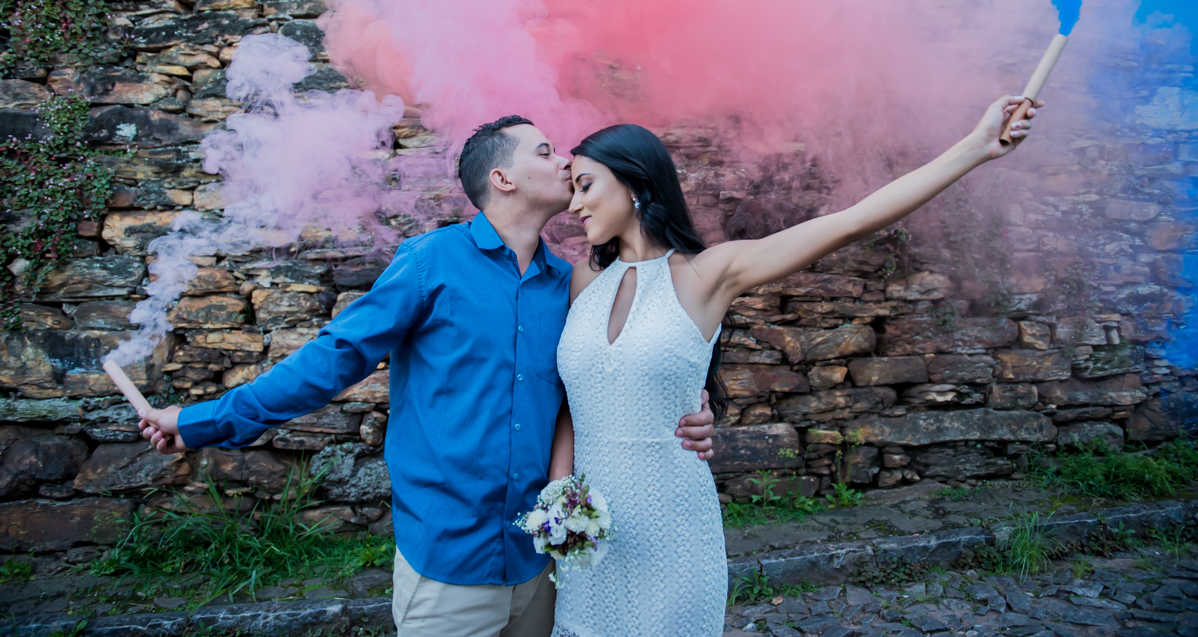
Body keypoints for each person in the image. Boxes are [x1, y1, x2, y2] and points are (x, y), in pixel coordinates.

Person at [137, 115, 717, 637]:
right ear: (503, 178)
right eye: (543, 151)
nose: (564, 161)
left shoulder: (568, 285)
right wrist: (201, 421)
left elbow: (615, 371)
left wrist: (692, 409)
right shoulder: (428, 263)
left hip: (541, 564)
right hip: (449, 564)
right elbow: (329, 360)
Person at [546, 95, 1044, 636]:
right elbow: (574, 399)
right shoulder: (582, 283)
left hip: (671, 523)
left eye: (586, 185)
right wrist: (559, 494)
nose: (574, 206)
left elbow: (847, 224)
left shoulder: (709, 273)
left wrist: (975, 149)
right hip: (589, 530)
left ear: (636, 183)